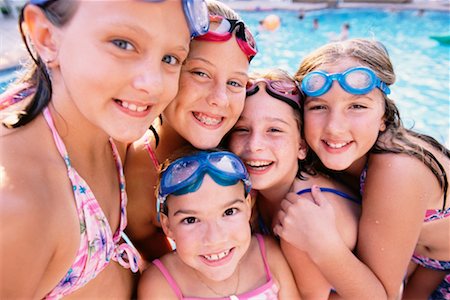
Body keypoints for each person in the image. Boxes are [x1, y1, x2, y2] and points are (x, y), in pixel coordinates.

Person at [0, 0, 209, 298]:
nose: (152, 84)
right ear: (46, 36)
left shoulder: (110, 126)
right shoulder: (22, 204)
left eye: (171, 58)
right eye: (123, 44)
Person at [274, 38, 450, 299]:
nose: (335, 126)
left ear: (384, 118)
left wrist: (323, 245)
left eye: (357, 106)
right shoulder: (324, 150)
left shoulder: (399, 170)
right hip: (421, 261)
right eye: (319, 106)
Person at [124, 0, 257, 263]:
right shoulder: (136, 174)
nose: (219, 98)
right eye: (200, 73)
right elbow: (165, 269)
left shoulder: (255, 142)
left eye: (234, 82)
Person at [228, 69, 360, 298]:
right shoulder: (256, 194)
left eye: (274, 130)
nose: (255, 145)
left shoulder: (306, 214)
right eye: (242, 129)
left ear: (302, 146)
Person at [138, 149, 300, 299]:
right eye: (191, 220)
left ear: (248, 206)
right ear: (167, 226)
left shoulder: (268, 254)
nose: (214, 238)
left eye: (229, 212)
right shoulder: (160, 283)